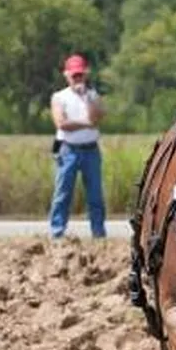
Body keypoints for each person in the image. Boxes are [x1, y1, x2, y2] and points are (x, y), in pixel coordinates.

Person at [49, 54, 107, 239]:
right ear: (67, 75)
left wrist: (87, 100)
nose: (77, 79)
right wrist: (86, 123)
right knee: (62, 193)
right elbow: (61, 123)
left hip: (90, 149)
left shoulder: (93, 96)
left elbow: (96, 118)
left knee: (95, 196)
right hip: (67, 149)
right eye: (74, 76)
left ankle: (98, 232)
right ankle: (57, 232)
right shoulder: (59, 97)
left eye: (80, 75)